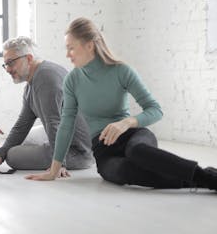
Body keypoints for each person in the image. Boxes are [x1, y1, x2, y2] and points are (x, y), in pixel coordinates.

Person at [26, 17, 217, 191]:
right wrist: (54, 169)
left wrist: (126, 123)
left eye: (71, 48)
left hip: (132, 135)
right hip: (102, 150)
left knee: (137, 152)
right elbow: (66, 125)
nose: (67, 54)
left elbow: (155, 109)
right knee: (123, 171)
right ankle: (194, 179)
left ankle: (207, 177)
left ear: (90, 45)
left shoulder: (121, 71)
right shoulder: (72, 80)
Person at [0, 36, 93, 173]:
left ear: (29, 58)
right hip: (66, 135)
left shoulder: (46, 79)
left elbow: (54, 123)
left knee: (12, 156)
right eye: (5, 64)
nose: (7, 69)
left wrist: (59, 165)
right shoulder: (32, 83)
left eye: (10, 62)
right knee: (18, 143)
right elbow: (21, 126)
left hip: (78, 152)